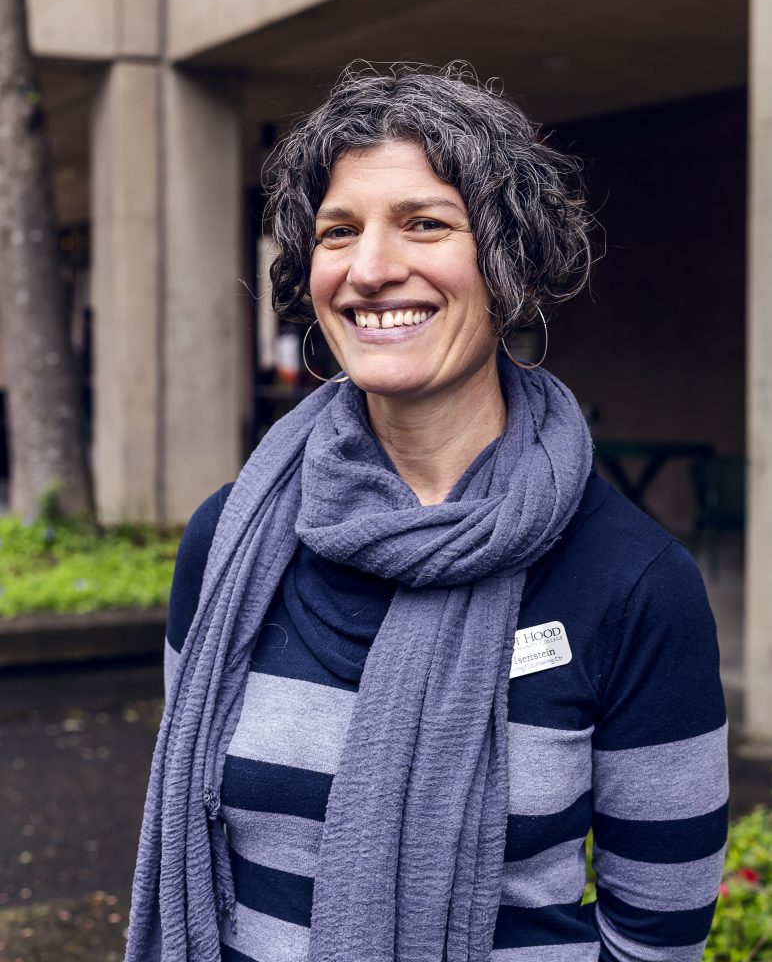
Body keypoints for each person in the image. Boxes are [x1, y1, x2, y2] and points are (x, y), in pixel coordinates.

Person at [126, 63, 728, 962]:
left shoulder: (634, 582)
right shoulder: (230, 539)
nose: (372, 269)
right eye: (339, 232)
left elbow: (657, 934)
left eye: (426, 224)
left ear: (510, 265)